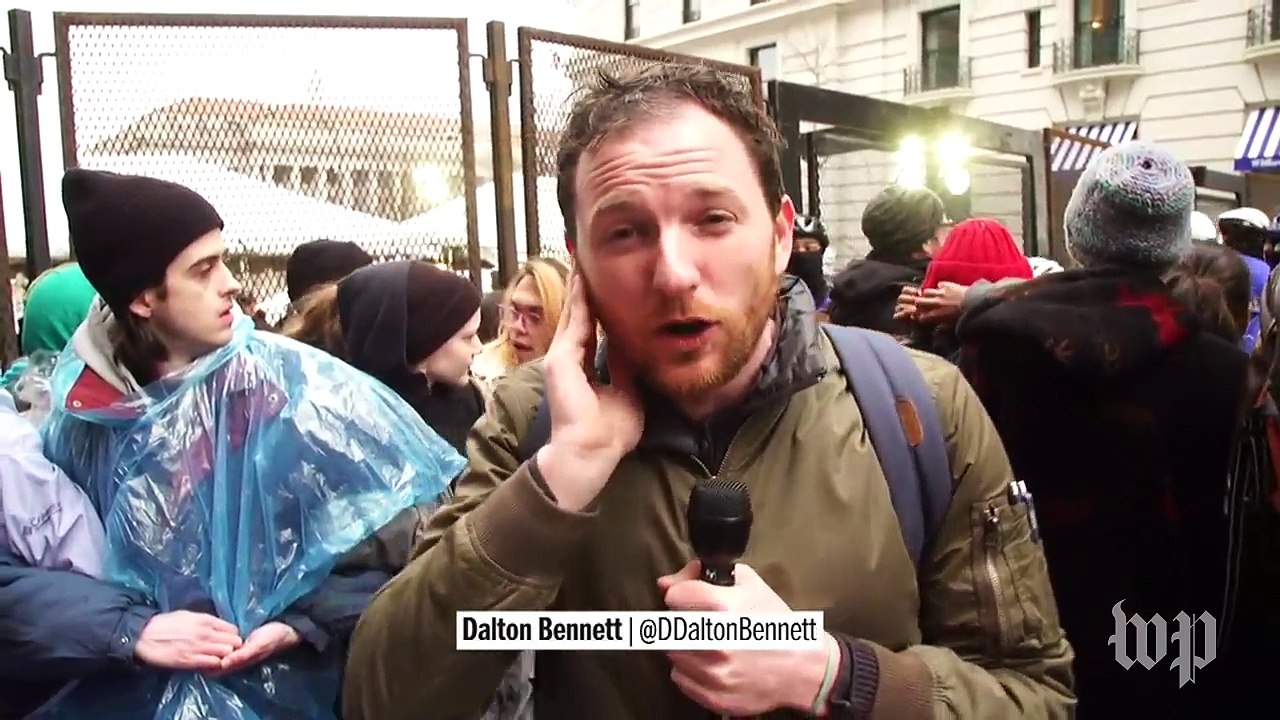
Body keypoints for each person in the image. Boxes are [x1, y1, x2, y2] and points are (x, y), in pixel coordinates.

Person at [343, 63, 1073, 720]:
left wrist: (835, 675)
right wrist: (562, 477)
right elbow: (383, 699)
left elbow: (1034, 695)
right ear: (580, 263)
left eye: (713, 219)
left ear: (780, 236)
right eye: (625, 233)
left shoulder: (917, 408)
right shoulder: (530, 420)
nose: (674, 273)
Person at [2, 169, 463, 719]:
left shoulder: (299, 393)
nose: (231, 284)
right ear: (144, 298)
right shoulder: (82, 424)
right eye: (203, 270)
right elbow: (34, 586)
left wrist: (302, 622)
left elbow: (421, 548)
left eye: (223, 260)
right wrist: (132, 629)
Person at [956, 142, 1248, 716]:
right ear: (1176, 245)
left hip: (1029, 645)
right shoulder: (1230, 372)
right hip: (1176, 650)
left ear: (1078, 230)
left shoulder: (994, 345)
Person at [283, 260, 485, 454]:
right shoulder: (330, 422)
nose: (479, 347)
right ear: (423, 341)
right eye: (467, 337)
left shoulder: (471, 403)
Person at [825, 184, 947, 338]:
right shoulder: (922, 304)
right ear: (926, 243)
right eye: (944, 225)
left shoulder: (850, 290)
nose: (950, 235)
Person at [471, 257, 568, 391]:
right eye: (515, 312)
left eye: (534, 318)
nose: (518, 327)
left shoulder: (587, 385)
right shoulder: (479, 378)